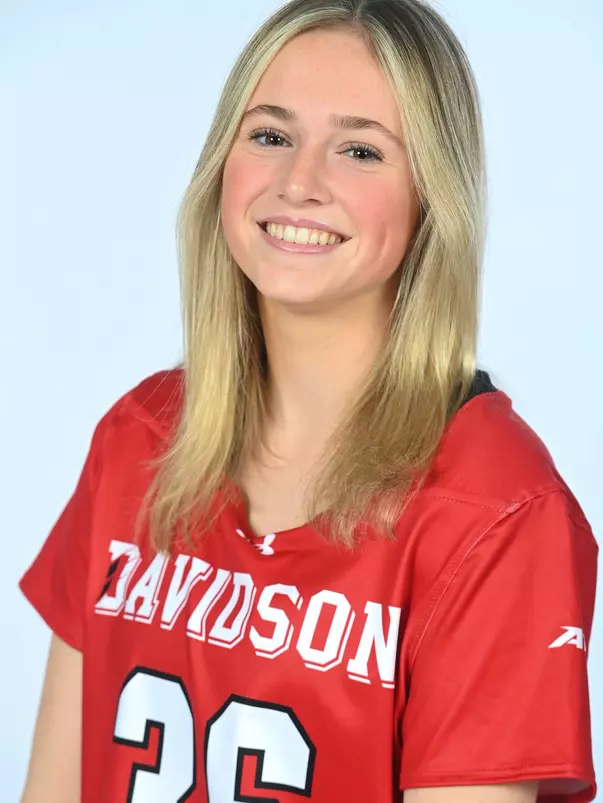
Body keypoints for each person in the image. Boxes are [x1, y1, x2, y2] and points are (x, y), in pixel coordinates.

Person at [18, 0, 598, 801]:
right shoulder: (139, 436)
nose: (299, 182)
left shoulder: (496, 507)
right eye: (270, 135)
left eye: (359, 150)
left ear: (432, 197)